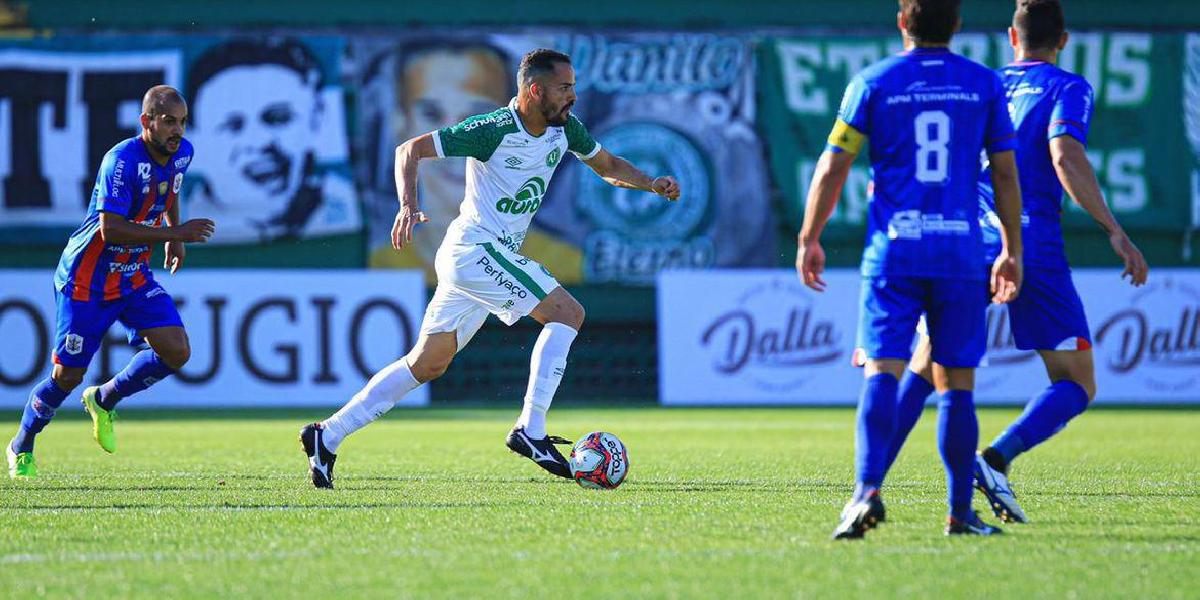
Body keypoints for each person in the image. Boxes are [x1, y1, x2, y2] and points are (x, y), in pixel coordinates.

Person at [299, 49, 681, 488]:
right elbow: (410, 149)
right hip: (474, 250)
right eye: (564, 87)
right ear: (535, 90)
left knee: (427, 364)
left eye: (573, 86)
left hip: (482, 260)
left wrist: (650, 182)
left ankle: (326, 434)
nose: (573, 96)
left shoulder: (564, 128)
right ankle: (530, 430)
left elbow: (608, 166)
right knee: (568, 313)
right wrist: (408, 205)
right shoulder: (492, 129)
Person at [882, 0, 1150, 524]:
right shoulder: (1067, 87)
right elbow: (1064, 155)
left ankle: (868, 486)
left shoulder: (981, 84)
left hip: (962, 239)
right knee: (1076, 381)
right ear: (1063, 41)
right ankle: (996, 458)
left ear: (1011, 36)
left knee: (925, 360)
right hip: (1031, 243)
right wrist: (1114, 230)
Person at [796, 0, 1025, 538]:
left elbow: (833, 165)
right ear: (957, 26)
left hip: (894, 253)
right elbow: (1008, 176)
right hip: (961, 254)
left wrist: (809, 237)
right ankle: (958, 513)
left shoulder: (873, 82)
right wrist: (1011, 248)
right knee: (957, 385)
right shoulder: (983, 84)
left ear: (903, 23)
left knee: (882, 371)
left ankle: (865, 493)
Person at [6, 86, 214, 478]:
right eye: (169, 121)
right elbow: (112, 229)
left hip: (133, 275)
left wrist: (174, 235)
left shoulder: (182, 153)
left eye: (183, 122)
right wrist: (177, 234)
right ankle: (22, 444)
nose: (177, 130)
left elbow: (168, 191)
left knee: (177, 350)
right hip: (87, 279)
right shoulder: (120, 161)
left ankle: (105, 399)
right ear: (146, 121)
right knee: (66, 376)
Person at [186, 39, 358, 243]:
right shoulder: (167, 221)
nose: (259, 141)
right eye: (233, 125)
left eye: (279, 118)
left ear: (317, 122)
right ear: (194, 139)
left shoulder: (344, 204)